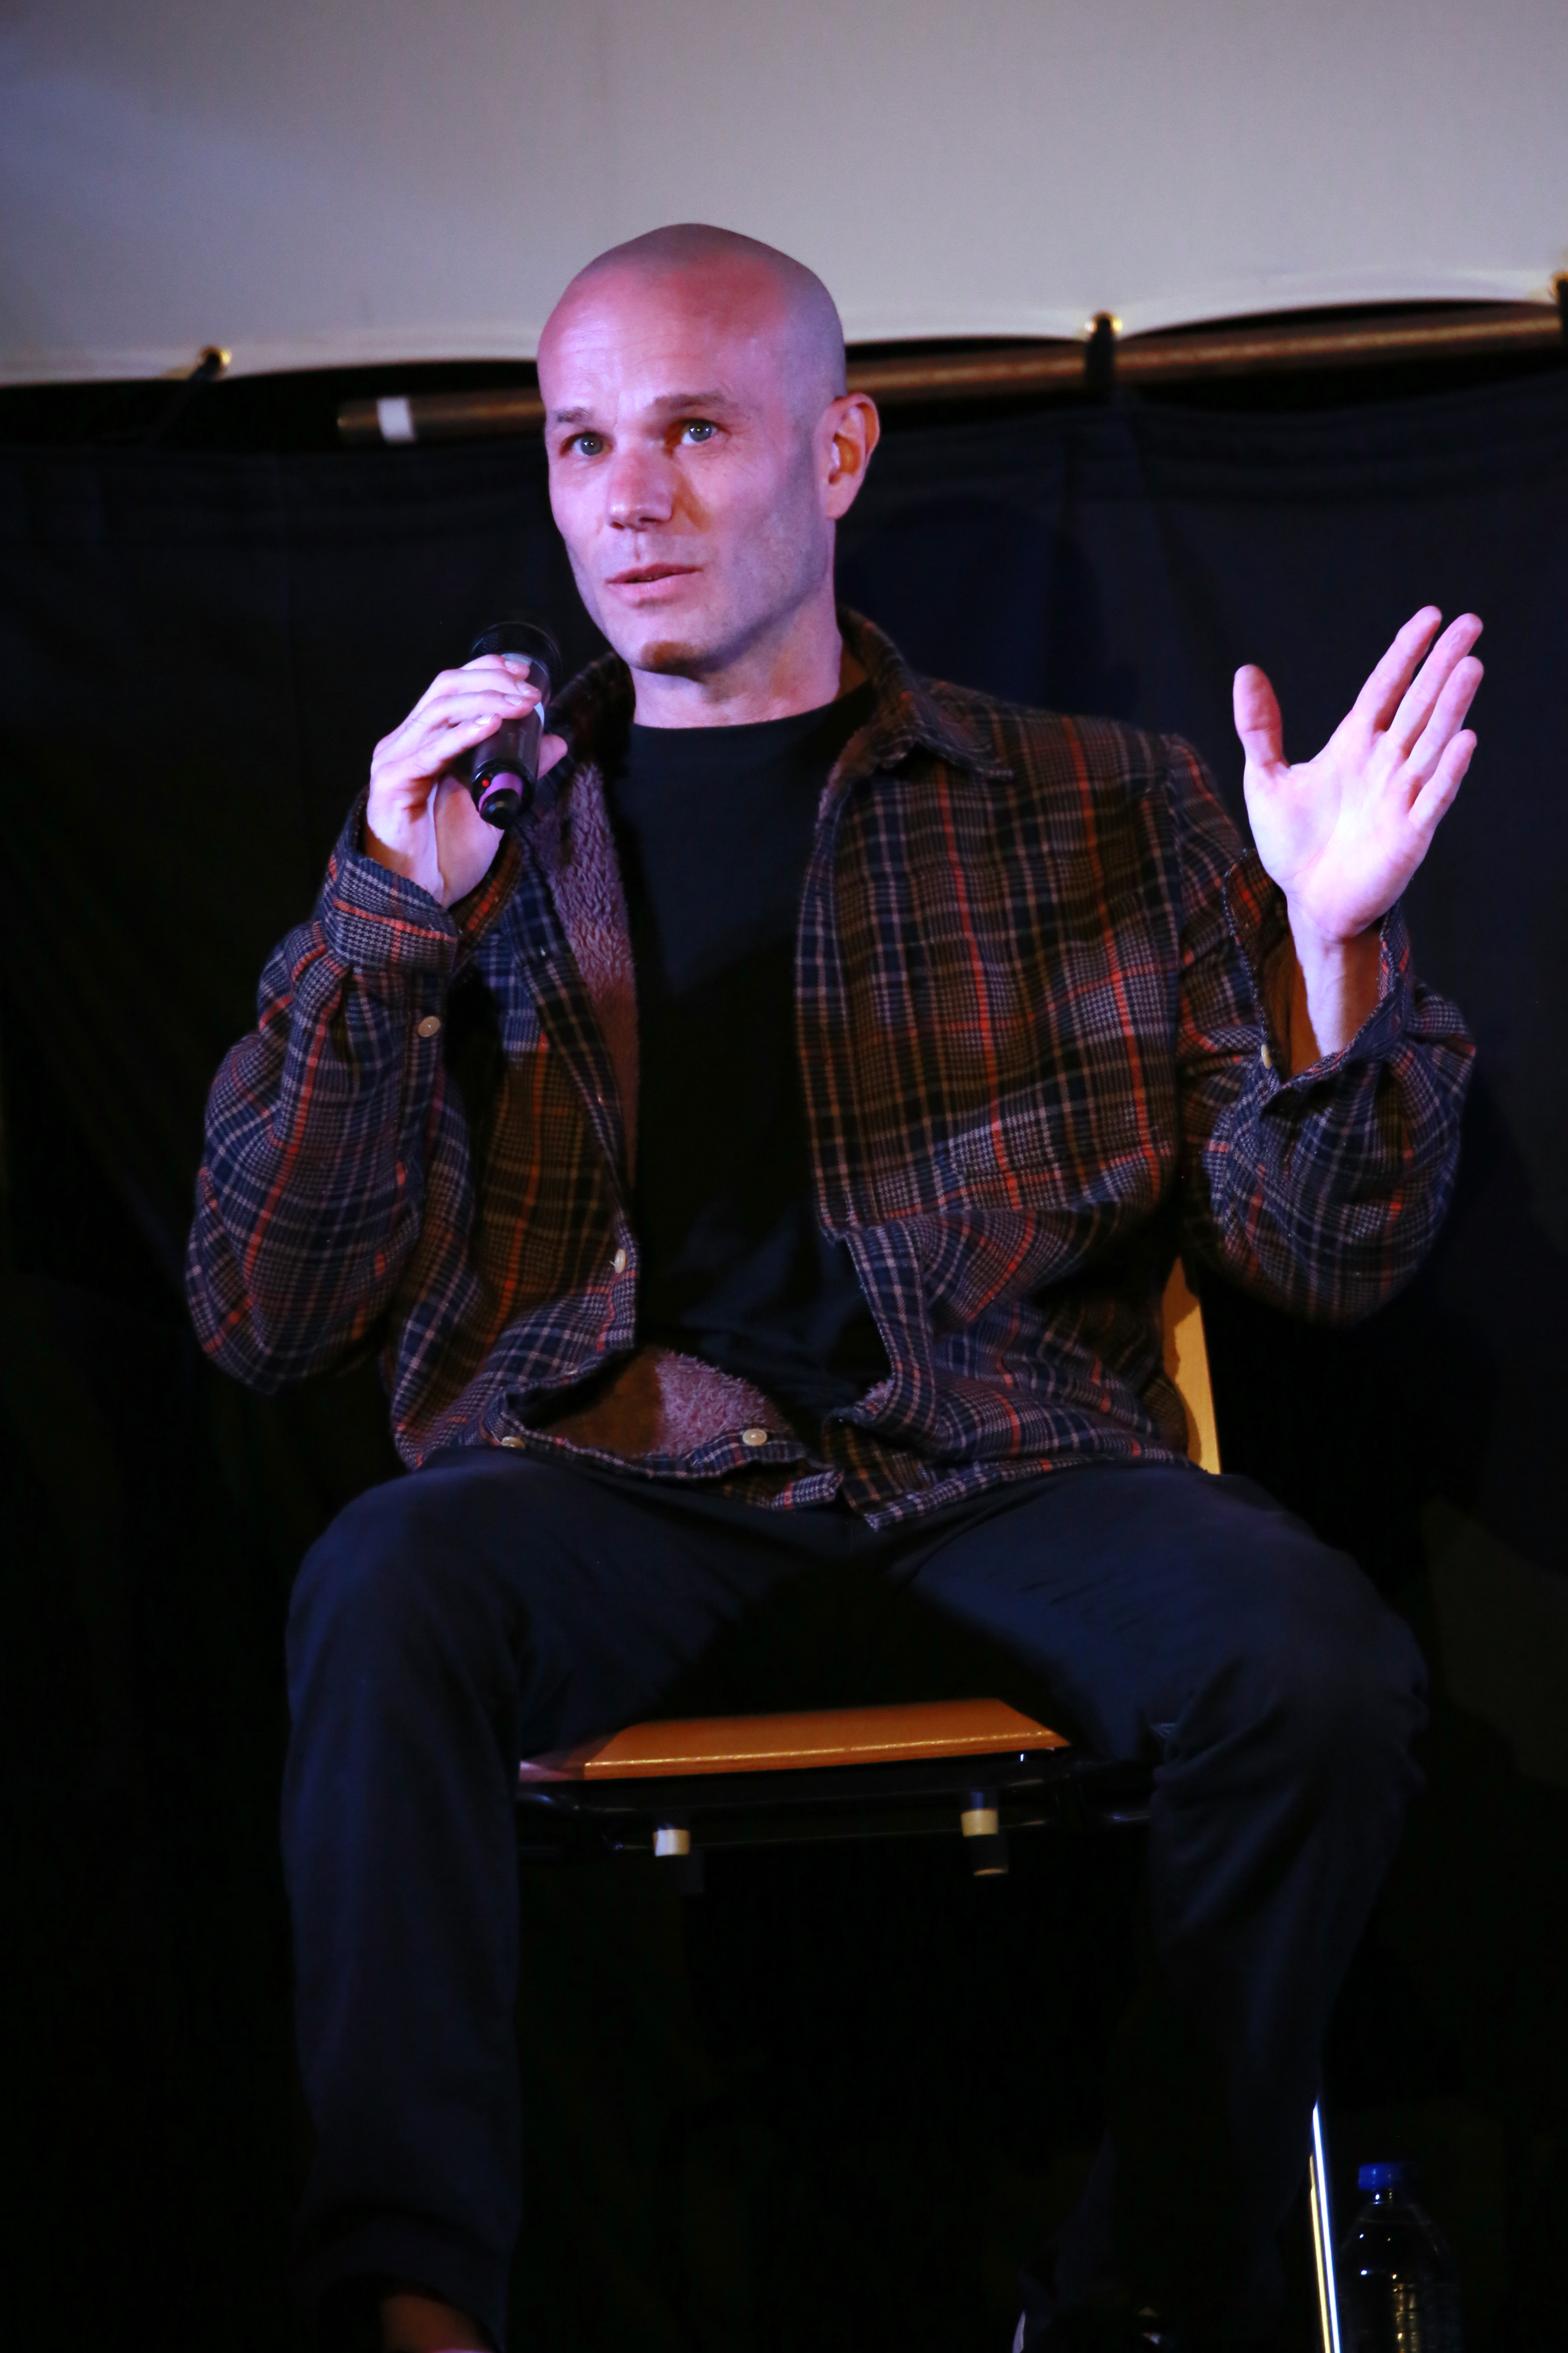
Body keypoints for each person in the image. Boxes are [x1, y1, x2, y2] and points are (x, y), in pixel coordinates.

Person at [186, 224, 1481, 2353]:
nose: (627, 496)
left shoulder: (1096, 805)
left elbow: (1314, 1256)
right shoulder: (478, 834)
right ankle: (410, 2314)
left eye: (694, 430)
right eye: (584, 440)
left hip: (1009, 1464)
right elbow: (260, 1309)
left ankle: (1142, 2308)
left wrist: (1331, 962)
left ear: (839, 447)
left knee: (1315, 1665)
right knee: (385, 1584)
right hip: (618, 1482)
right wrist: (379, 925)